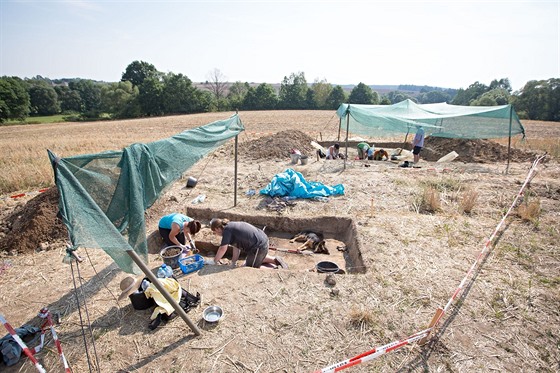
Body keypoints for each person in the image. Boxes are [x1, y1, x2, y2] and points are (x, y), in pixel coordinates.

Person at [209, 218, 288, 269]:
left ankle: (274, 269)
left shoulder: (226, 231)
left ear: (218, 228)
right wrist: (233, 263)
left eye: (215, 232)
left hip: (259, 247)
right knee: (248, 262)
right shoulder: (230, 226)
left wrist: (215, 261)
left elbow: (222, 249)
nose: (216, 234)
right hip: (262, 241)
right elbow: (236, 248)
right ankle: (275, 260)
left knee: (248, 268)